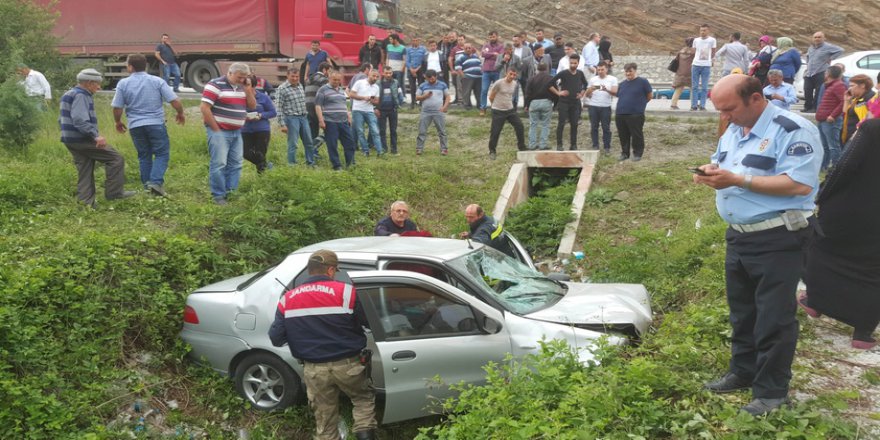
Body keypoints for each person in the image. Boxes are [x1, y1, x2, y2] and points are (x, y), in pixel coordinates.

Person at [693, 74, 822, 417]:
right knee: (743, 312)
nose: (724, 116)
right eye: (719, 110)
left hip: (778, 236)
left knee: (774, 318)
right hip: (739, 236)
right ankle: (743, 371)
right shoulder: (735, 128)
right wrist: (711, 172)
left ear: (755, 98)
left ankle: (771, 393)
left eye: (729, 109)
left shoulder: (792, 130)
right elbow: (725, 164)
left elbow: (798, 185)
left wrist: (739, 180)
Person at [268, 250, 377, 440]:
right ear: (330, 270)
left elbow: (276, 338)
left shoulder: (287, 299)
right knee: (362, 400)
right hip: (349, 366)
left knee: (325, 418)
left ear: (310, 270)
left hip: (314, 370)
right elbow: (369, 323)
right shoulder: (347, 292)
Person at [800, 119, 880, 350]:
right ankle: (863, 333)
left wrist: (823, 194)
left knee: (822, 252)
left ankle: (815, 302)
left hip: (848, 209)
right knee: (874, 269)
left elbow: (844, 166)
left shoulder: (872, 128)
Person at [60, 69, 137, 208]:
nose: (99, 87)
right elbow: (79, 119)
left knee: (85, 167)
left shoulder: (69, 93)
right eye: (97, 84)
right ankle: (114, 194)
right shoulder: (81, 95)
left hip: (69, 139)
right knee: (115, 158)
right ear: (89, 83)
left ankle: (86, 202)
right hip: (82, 139)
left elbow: (62, 119)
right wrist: (95, 135)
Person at [111, 53, 185, 197]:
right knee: (162, 153)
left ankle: (147, 187)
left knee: (144, 155)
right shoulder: (157, 81)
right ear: (145, 66)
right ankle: (155, 183)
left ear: (130, 67)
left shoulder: (123, 83)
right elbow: (174, 100)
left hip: (135, 125)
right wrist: (180, 113)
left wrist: (118, 121)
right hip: (156, 123)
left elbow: (117, 107)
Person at [200, 63, 256, 205]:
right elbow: (205, 108)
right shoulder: (215, 85)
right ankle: (218, 195)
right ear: (230, 73)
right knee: (219, 163)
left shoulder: (243, 87)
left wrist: (248, 89)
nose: (242, 80)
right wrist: (216, 130)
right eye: (239, 77)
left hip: (236, 131)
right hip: (219, 130)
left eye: (245, 77)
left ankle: (231, 192)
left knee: (236, 163)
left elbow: (252, 106)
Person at [316, 71, 357, 170]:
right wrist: (321, 120)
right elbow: (318, 106)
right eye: (334, 79)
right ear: (329, 78)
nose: (336, 82)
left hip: (343, 121)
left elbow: (343, 104)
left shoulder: (341, 90)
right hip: (330, 121)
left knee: (350, 143)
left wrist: (348, 115)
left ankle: (350, 163)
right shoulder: (323, 90)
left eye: (338, 80)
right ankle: (337, 165)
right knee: (332, 144)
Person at [276, 68, 315, 166]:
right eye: (292, 76)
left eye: (297, 76)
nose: (295, 78)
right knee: (293, 143)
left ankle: (310, 163)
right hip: (291, 118)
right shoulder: (282, 88)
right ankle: (292, 164)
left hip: (303, 117)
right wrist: (282, 124)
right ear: (287, 76)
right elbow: (278, 107)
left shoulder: (300, 86)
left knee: (309, 142)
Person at [615, 63, 652, 161]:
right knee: (623, 135)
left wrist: (640, 105)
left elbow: (649, 96)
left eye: (630, 71)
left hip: (636, 114)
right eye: (626, 71)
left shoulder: (643, 82)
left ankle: (637, 154)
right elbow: (619, 96)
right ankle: (624, 153)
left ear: (635, 70)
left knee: (636, 135)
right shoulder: (622, 84)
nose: (628, 73)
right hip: (620, 113)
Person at [550, 54, 588, 151]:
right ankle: (559, 145)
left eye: (575, 63)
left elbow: (586, 84)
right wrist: (558, 93)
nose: (573, 65)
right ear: (569, 63)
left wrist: (582, 94)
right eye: (571, 63)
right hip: (564, 102)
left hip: (575, 102)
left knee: (574, 124)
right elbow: (550, 84)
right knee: (561, 123)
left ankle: (573, 145)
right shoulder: (563, 73)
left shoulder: (580, 73)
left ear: (578, 63)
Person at [487, 69, 526, 160]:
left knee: (520, 126)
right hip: (498, 110)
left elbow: (510, 96)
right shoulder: (499, 83)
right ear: (506, 73)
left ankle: (522, 147)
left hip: (510, 110)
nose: (512, 76)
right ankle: (492, 151)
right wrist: (495, 106)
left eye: (514, 75)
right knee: (495, 132)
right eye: (510, 74)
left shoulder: (515, 84)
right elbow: (491, 96)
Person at [241, 76, 277, 173]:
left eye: (247, 85)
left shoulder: (263, 97)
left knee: (260, 153)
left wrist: (261, 115)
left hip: (262, 130)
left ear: (253, 86)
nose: (244, 87)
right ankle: (267, 165)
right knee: (245, 153)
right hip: (245, 130)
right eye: (243, 85)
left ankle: (262, 177)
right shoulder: (239, 98)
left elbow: (273, 112)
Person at [802, 32, 843, 113]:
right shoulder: (811, 47)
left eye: (819, 37)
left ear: (824, 38)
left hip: (821, 71)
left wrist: (831, 58)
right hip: (809, 72)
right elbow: (808, 56)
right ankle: (807, 106)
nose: (817, 39)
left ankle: (815, 108)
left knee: (818, 91)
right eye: (815, 37)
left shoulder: (828, 47)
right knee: (807, 90)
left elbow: (840, 50)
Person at [815, 65, 846, 170]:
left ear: (829, 74)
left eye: (825, 73)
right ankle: (823, 165)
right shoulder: (829, 85)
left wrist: (833, 115)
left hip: (831, 121)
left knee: (833, 146)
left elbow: (844, 101)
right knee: (824, 146)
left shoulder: (839, 85)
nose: (824, 74)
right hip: (823, 120)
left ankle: (837, 168)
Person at [585, 61, 618, 153]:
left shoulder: (612, 79)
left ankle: (607, 146)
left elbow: (615, 93)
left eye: (602, 69)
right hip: (593, 106)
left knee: (606, 127)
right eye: (598, 69)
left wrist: (606, 89)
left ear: (606, 69)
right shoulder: (593, 79)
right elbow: (587, 95)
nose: (600, 71)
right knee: (594, 127)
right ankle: (595, 145)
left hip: (605, 106)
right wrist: (590, 90)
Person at [415, 70, 450, 155]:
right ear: (426, 78)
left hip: (438, 111)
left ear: (436, 76)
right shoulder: (422, 86)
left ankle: (444, 149)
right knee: (422, 131)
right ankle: (419, 148)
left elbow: (448, 96)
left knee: (442, 131)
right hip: (425, 112)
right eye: (429, 79)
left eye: (433, 78)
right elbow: (417, 97)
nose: (432, 80)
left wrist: (445, 107)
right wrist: (425, 96)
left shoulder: (442, 85)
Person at [349, 70, 383, 157]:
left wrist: (372, 100)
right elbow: (351, 95)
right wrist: (363, 98)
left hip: (369, 110)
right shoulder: (360, 83)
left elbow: (377, 101)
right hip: (357, 110)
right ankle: (365, 150)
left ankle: (380, 151)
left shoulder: (376, 87)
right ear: (369, 75)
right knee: (360, 131)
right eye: (373, 76)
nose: (375, 78)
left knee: (375, 130)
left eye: (377, 77)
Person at [524, 62, 555, 150]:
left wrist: (527, 104)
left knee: (533, 124)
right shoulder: (550, 78)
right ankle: (543, 144)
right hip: (546, 102)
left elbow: (527, 93)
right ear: (546, 69)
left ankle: (532, 145)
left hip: (534, 102)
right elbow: (555, 92)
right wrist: (555, 104)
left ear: (537, 69)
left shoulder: (531, 79)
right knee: (545, 124)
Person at [305, 62, 332, 154]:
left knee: (313, 131)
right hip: (318, 107)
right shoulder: (324, 79)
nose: (330, 74)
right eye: (330, 71)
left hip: (307, 107)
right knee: (329, 130)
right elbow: (327, 95)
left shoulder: (309, 79)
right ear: (324, 70)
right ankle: (313, 147)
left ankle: (312, 153)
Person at [841, 74, 875, 145]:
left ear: (862, 85)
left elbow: (866, 122)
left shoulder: (869, 98)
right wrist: (846, 100)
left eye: (852, 86)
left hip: (859, 139)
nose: (849, 89)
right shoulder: (856, 98)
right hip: (850, 136)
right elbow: (845, 115)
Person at [377, 66, 403, 155]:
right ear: (383, 73)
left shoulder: (396, 82)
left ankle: (394, 150)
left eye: (390, 73)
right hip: (381, 110)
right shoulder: (378, 83)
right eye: (386, 73)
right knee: (382, 131)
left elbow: (400, 94)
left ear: (392, 73)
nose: (388, 75)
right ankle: (384, 149)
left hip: (393, 110)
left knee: (393, 131)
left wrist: (399, 104)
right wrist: (376, 108)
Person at [691, 24, 717, 111]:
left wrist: (711, 60)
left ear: (708, 31)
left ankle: (702, 105)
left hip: (706, 65)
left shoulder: (712, 40)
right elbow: (694, 51)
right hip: (696, 64)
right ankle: (694, 105)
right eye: (701, 30)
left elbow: (713, 52)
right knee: (694, 86)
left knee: (704, 87)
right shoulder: (696, 40)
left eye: (704, 30)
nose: (702, 32)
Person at [479, 31, 504, 116]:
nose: (492, 38)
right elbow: (483, 54)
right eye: (490, 37)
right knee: (484, 90)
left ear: (497, 36)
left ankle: (495, 108)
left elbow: (500, 56)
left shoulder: (501, 46)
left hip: (496, 71)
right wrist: (493, 53)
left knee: (496, 91)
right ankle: (483, 108)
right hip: (486, 71)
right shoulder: (486, 45)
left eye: (493, 36)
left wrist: (488, 54)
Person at [671, 37, 695, 110]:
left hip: (680, 73)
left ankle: (673, 104)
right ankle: (693, 105)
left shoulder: (681, 51)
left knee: (678, 89)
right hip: (690, 73)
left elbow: (676, 61)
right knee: (694, 89)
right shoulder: (695, 51)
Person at [455, 44, 482, 109]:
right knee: (466, 92)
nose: (468, 49)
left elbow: (482, 61)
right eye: (466, 48)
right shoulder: (460, 57)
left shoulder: (476, 56)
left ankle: (479, 106)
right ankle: (467, 106)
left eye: (469, 48)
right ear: (464, 49)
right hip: (468, 77)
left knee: (479, 92)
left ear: (471, 48)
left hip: (478, 77)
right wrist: (463, 76)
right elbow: (458, 68)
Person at [497, 44, 523, 110]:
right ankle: (503, 109)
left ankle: (514, 109)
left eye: (512, 49)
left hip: (513, 79)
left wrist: (516, 77)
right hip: (503, 79)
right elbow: (496, 67)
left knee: (514, 95)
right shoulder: (500, 56)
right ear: (505, 50)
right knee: (503, 94)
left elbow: (520, 69)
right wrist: (503, 61)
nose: (511, 51)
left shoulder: (516, 58)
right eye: (509, 50)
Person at [404, 36, 426, 109]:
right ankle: (413, 102)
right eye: (413, 40)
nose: (415, 42)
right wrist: (411, 69)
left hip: (420, 69)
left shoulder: (423, 49)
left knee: (421, 86)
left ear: (419, 41)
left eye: (416, 40)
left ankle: (421, 102)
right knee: (412, 87)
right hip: (411, 69)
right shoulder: (408, 49)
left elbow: (424, 60)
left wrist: (417, 69)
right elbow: (407, 61)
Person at [386, 34, 407, 103]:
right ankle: (392, 98)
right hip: (390, 69)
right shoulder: (388, 46)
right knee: (390, 83)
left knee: (399, 84)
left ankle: (402, 98)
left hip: (399, 69)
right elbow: (387, 57)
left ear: (395, 39)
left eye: (391, 39)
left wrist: (402, 69)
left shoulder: (402, 48)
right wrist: (387, 67)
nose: (390, 41)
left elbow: (404, 60)